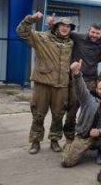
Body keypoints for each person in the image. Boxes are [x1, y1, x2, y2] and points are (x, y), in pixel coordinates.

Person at [16, 11, 74, 154]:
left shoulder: (71, 43)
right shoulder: (42, 38)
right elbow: (21, 32)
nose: (65, 28)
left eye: (68, 26)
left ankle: (54, 140)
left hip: (61, 85)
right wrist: (31, 19)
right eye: (62, 25)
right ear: (56, 26)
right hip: (43, 83)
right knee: (38, 114)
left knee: (58, 115)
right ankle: (35, 141)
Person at [61, 60, 101, 167]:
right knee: (66, 162)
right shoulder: (88, 99)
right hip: (84, 137)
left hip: (100, 137)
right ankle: (71, 145)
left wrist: (100, 131)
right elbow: (80, 89)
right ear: (96, 89)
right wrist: (77, 74)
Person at [62, 22, 101, 142]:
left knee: (91, 109)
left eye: (97, 33)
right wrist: (51, 25)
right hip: (77, 79)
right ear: (88, 31)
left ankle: (87, 135)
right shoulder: (78, 37)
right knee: (72, 109)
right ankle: (69, 137)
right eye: (92, 32)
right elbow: (63, 32)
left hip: (92, 81)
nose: (94, 35)